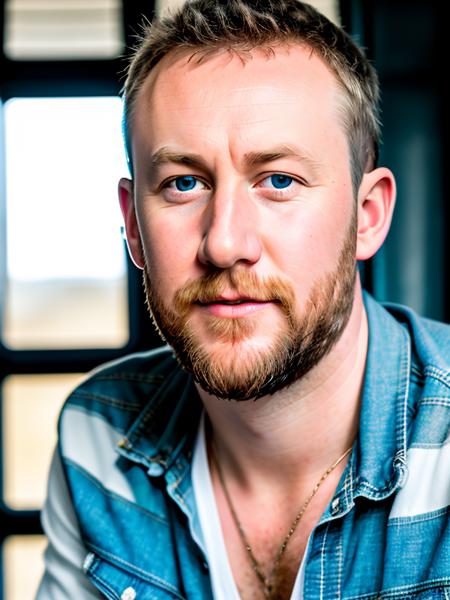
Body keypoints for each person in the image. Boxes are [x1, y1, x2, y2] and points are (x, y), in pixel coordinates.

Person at [37, 1, 450, 599]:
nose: (225, 242)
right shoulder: (97, 437)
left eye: (279, 180)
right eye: (184, 183)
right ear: (132, 226)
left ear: (367, 217)